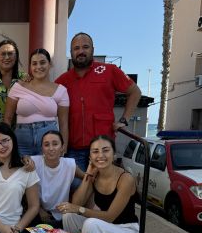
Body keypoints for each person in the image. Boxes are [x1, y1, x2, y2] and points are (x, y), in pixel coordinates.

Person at [55, 32, 142, 174]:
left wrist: (124, 119)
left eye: (85, 47)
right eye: (76, 48)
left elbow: (135, 92)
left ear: (93, 50)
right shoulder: (62, 80)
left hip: (103, 148)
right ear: (71, 52)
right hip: (74, 149)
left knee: (102, 190)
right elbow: (43, 95)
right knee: (78, 190)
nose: (81, 51)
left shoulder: (109, 71)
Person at [59, 135, 139, 233]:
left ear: (114, 154)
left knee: (91, 224)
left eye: (106, 150)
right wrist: (88, 174)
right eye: (95, 151)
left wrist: (80, 209)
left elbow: (110, 217)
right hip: (105, 228)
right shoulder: (95, 176)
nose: (100, 155)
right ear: (90, 157)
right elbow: (76, 203)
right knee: (68, 215)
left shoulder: (126, 179)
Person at [4, 48, 69, 156]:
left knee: (46, 172)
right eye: (34, 63)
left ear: (50, 64)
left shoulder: (61, 90)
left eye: (42, 62)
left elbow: (63, 123)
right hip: (21, 140)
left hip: (50, 142)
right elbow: (7, 118)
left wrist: (64, 147)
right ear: (30, 66)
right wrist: (6, 141)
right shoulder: (18, 87)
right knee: (22, 171)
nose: (38, 67)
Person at [30, 131, 83, 227]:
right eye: (46, 145)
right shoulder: (34, 162)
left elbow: (86, 177)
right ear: (42, 149)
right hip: (38, 212)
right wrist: (39, 209)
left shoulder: (70, 164)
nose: (51, 148)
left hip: (63, 214)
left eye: (55, 144)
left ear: (62, 147)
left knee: (82, 183)